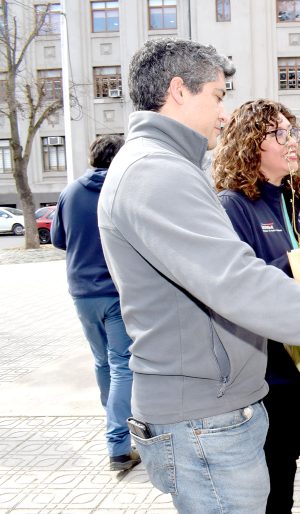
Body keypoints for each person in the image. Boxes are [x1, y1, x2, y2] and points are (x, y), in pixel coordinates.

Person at [97, 38, 300, 513]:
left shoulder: (165, 166)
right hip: (203, 416)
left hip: (215, 406)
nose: (222, 112)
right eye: (217, 95)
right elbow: (241, 284)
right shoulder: (157, 172)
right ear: (178, 90)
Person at [213, 99, 300, 513]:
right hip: (262, 376)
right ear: (250, 143)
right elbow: (238, 290)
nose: (292, 141)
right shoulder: (232, 206)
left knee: (287, 462)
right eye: (279, 133)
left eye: (293, 132)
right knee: (265, 479)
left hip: (299, 366)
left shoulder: (297, 200)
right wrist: (296, 262)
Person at [51, 135, 140, 472]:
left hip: (81, 292)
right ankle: (118, 444)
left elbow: (59, 239)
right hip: (116, 291)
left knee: (102, 362)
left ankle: (113, 422)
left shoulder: (70, 192)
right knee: (121, 366)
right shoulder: (121, 190)